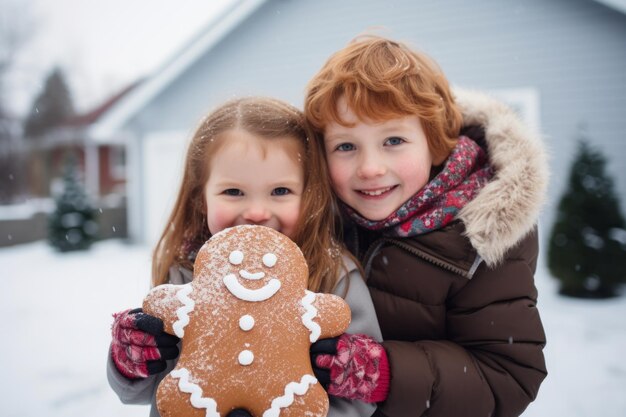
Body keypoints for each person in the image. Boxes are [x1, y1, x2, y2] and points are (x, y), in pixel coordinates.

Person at [303, 35, 549, 417]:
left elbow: (508, 375)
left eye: (394, 140)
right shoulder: (321, 223)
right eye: (346, 146)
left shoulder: (477, 239)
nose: (370, 168)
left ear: (435, 144)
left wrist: (382, 373)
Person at [107, 97, 383, 417]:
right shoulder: (184, 277)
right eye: (233, 192)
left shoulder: (335, 277)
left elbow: (359, 400)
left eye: (280, 191)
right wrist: (130, 358)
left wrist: (350, 373)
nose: (256, 212)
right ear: (201, 199)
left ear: (309, 196)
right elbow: (145, 390)